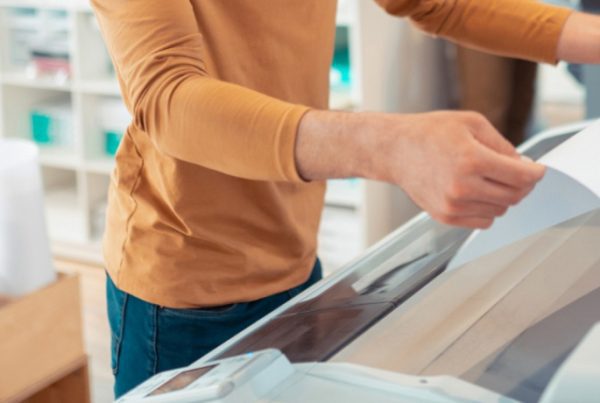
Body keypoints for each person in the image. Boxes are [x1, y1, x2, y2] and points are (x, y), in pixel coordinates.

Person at [90, 0, 600, 397]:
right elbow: (167, 96)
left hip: (294, 256)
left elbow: (441, 4)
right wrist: (389, 147)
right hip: (184, 286)